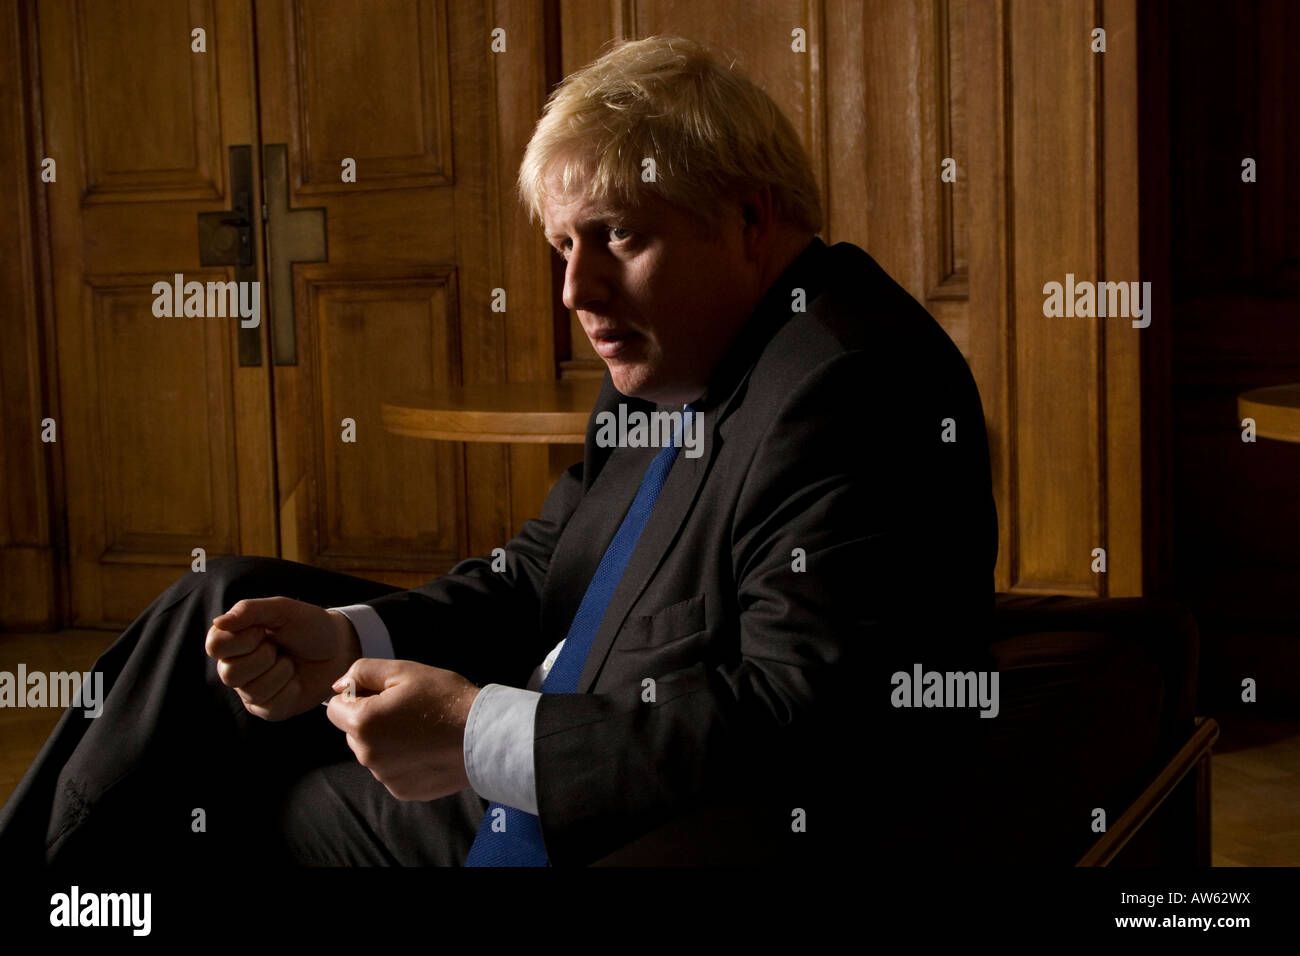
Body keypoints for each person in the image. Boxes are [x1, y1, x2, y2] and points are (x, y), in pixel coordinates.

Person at [0, 34, 997, 867]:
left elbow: (801, 717)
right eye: (564, 245)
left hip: (588, 796)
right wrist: (350, 640)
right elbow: (536, 578)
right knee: (217, 609)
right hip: (549, 701)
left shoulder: (850, 382)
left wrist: (477, 736)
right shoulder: (679, 353)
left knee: (223, 787)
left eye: (615, 236)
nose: (576, 292)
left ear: (748, 217)